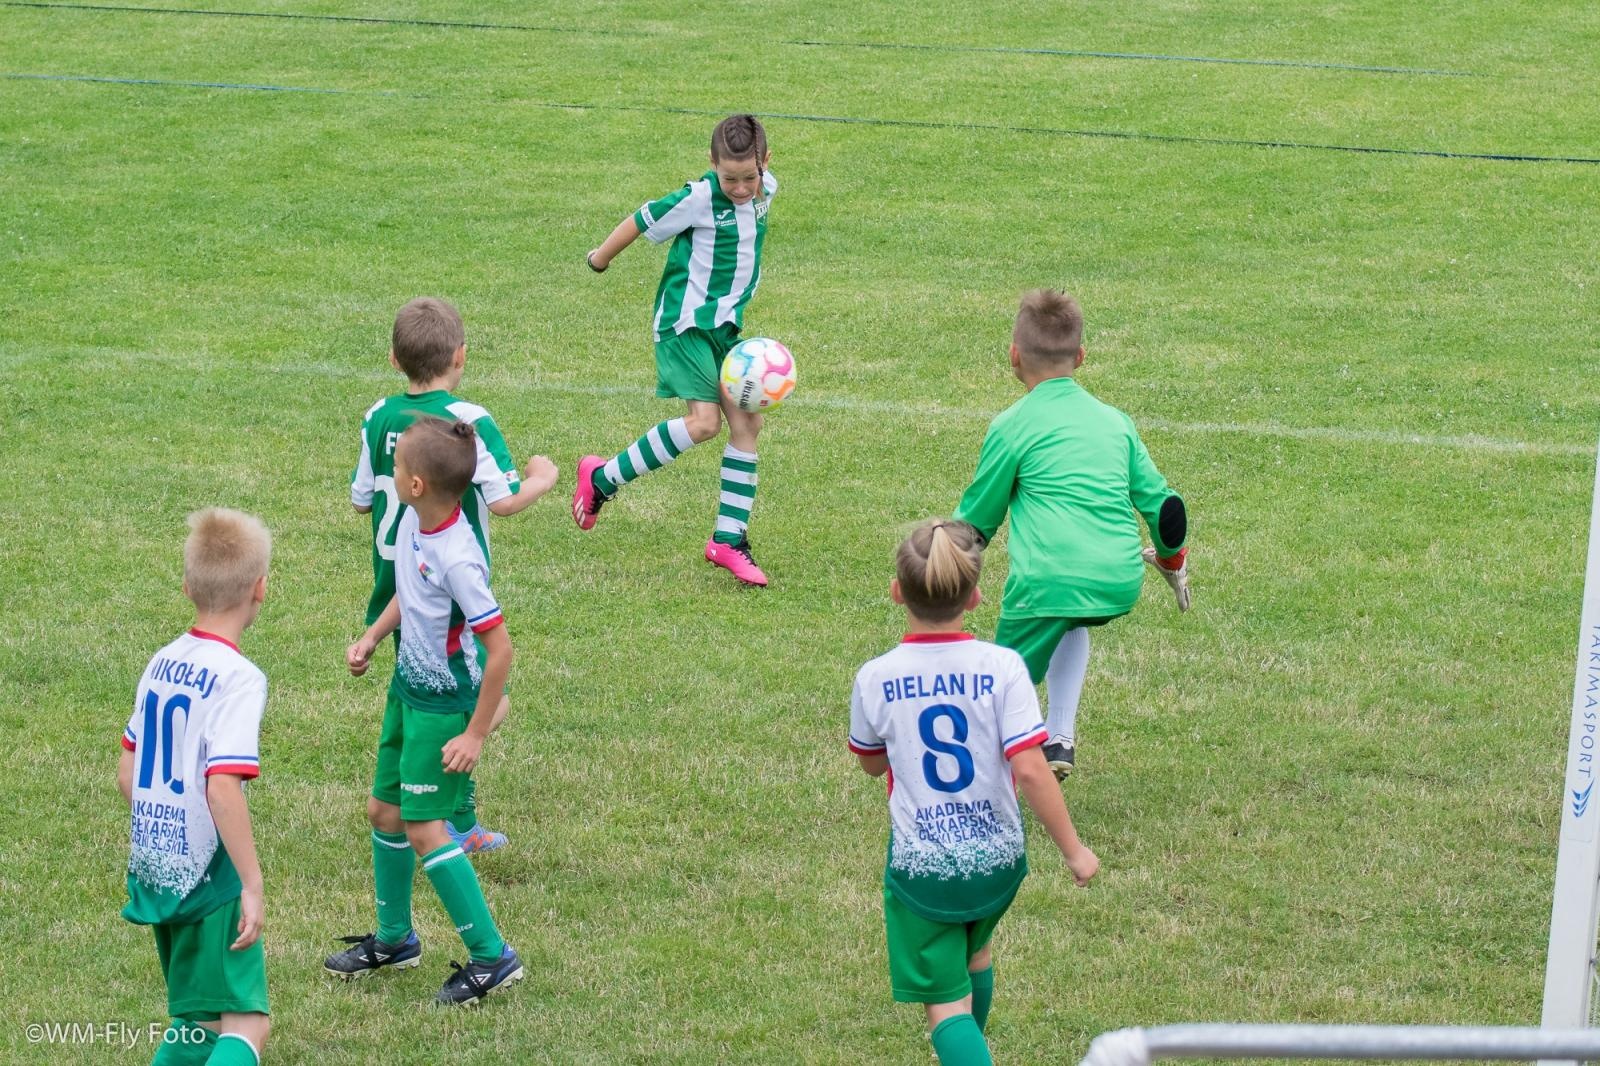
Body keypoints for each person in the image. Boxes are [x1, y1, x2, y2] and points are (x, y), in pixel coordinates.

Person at [850, 519, 1100, 1065]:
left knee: (945, 1010)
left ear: (897, 593)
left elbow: (870, 764)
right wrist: (1074, 851)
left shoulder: (875, 676)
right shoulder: (1004, 667)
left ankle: (964, 1047)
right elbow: (1032, 770)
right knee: (976, 951)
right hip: (998, 860)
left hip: (925, 870)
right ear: (977, 596)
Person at [954, 289, 1190, 778]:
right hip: (1118, 579)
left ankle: (994, 778)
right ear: (1080, 357)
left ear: (1014, 355)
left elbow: (974, 527)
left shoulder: (1011, 426)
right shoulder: (1115, 423)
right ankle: (1059, 737)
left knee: (998, 689)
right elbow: (1167, 509)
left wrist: (940, 588)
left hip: (1046, 583)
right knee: (1070, 614)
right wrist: (1172, 562)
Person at [327, 417, 523, 1006]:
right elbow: (407, 599)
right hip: (406, 693)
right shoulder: (416, 522)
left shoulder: (459, 557)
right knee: (384, 811)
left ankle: (493, 957)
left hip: (444, 708)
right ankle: (395, 940)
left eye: (397, 469)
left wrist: (476, 734)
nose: (391, 474)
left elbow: (501, 649)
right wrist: (370, 636)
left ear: (416, 485)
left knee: (423, 827)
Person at [351, 296, 558, 851]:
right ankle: (449, 820)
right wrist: (543, 477)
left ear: (394, 359)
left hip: (395, 582)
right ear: (461, 356)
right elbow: (506, 500)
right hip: (450, 591)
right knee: (476, 701)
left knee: (428, 698)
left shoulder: (377, 416)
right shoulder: (469, 421)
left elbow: (360, 500)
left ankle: (424, 806)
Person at [574, 113, 778, 587]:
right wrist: (599, 259)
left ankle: (728, 540)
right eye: (731, 178)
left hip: (725, 329)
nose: (742, 187)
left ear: (766, 163)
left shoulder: (766, 187)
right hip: (685, 325)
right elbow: (642, 219)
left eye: (750, 176)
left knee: (747, 422)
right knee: (705, 423)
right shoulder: (699, 197)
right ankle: (602, 479)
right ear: (712, 165)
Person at [119, 508, 274, 1065]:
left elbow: (127, 774)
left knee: (197, 1022)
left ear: (188, 587)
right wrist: (251, 884)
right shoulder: (239, 677)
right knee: (246, 1025)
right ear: (260, 588)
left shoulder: (161, 661)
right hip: (211, 880)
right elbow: (222, 789)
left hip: (159, 868)